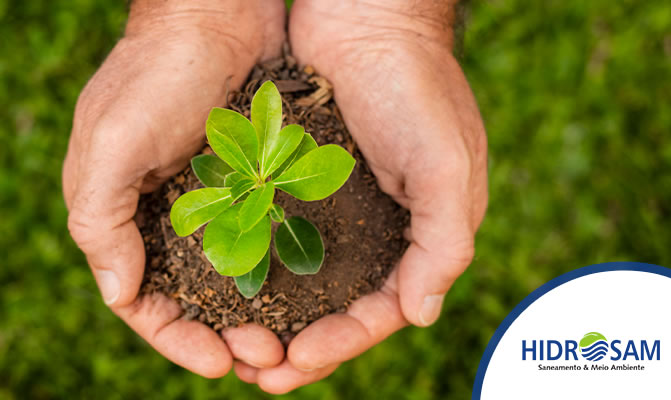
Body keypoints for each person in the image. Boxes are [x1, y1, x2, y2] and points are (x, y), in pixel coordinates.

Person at [62, 0, 487, 394]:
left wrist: (391, 21)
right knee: (242, 222)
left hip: (271, 182)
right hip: (248, 193)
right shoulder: (231, 183)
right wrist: (190, 12)